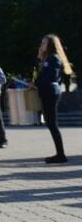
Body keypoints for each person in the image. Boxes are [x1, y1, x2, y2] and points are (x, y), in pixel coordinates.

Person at [29, 34, 73, 164]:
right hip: (46, 93)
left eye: (44, 43)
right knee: (50, 123)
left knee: (52, 124)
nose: (41, 45)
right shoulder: (46, 58)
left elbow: (50, 77)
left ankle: (61, 155)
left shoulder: (54, 58)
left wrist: (35, 84)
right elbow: (39, 73)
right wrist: (39, 58)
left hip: (51, 93)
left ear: (51, 45)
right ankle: (60, 154)